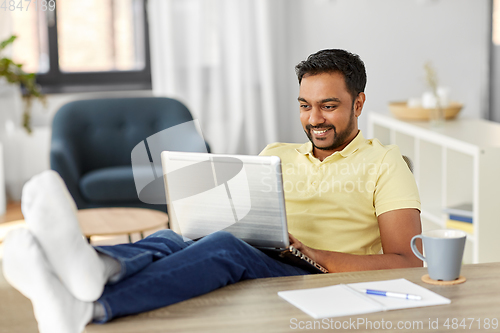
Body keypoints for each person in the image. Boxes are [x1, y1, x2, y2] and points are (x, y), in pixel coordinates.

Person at [2, 49, 422, 333]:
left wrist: (317, 255)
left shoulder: (385, 163)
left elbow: (408, 261)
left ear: (359, 103)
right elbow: (242, 215)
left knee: (225, 248)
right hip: (271, 255)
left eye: (328, 105)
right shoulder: (277, 153)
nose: (314, 118)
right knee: (174, 235)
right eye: (304, 104)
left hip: (318, 278)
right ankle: (97, 268)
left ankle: (93, 306)